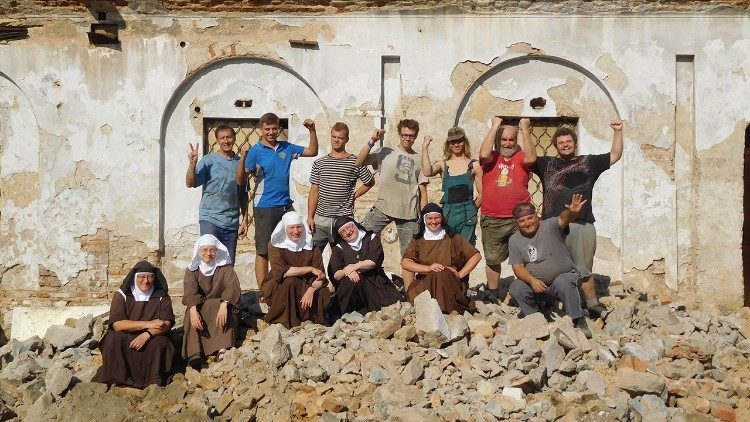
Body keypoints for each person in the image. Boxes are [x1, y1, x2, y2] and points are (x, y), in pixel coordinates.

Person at [529, 119, 623, 317]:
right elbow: (528, 158)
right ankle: (551, 304)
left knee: (582, 267)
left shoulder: (589, 162)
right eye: (561, 142)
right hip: (552, 225)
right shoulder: (547, 164)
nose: (565, 145)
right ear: (555, 145)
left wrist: (618, 132)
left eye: (568, 141)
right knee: (550, 266)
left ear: (575, 143)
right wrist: (524, 130)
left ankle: (591, 304)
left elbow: (615, 155)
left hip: (581, 223)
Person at [235, 113, 318, 290]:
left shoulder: (286, 147)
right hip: (264, 206)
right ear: (261, 130)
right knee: (264, 251)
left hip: (286, 206)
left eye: (274, 128)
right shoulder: (255, 151)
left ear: (278, 128)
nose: (271, 132)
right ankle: (264, 291)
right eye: (267, 129)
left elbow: (312, 151)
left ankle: (285, 285)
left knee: (290, 246)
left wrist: (312, 131)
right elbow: (240, 180)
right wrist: (242, 158)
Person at [355, 119, 429, 287]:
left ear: (415, 136)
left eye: (411, 136)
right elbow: (359, 162)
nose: (407, 138)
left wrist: (423, 217)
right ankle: (360, 285)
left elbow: (423, 192)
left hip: (408, 213)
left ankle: (410, 293)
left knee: (408, 257)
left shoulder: (418, 159)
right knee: (361, 237)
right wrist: (372, 140)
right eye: (404, 135)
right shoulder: (385, 152)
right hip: (383, 208)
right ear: (399, 134)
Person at [507, 195, 592, 338]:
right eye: (522, 221)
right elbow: (518, 268)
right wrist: (532, 281)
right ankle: (536, 319)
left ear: (537, 216)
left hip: (563, 278)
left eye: (530, 218)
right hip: (538, 285)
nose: (527, 223)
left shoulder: (550, 226)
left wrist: (572, 212)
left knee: (563, 282)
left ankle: (577, 319)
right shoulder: (515, 240)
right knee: (516, 287)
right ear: (517, 223)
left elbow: (563, 219)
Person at [478, 117, 536, 302]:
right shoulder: (492, 157)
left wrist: (525, 130)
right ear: (498, 140)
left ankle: (528, 291)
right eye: (504, 139)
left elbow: (532, 158)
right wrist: (495, 126)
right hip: (492, 217)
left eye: (511, 139)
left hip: (518, 219)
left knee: (526, 256)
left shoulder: (521, 157)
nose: (508, 143)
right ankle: (493, 294)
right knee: (493, 259)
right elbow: (483, 154)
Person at [92, 261, 175, 388]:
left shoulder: (161, 296)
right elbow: (118, 325)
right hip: (126, 335)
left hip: (153, 336)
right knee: (113, 338)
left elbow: (167, 324)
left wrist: (147, 334)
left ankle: (151, 383)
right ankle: (117, 379)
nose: (146, 281)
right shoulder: (122, 295)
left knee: (160, 343)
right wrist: (149, 324)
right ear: (135, 277)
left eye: (150, 277)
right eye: (141, 277)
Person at [401, 203, 482, 314]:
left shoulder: (453, 237)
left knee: (441, 273)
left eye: (436, 218)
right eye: (429, 218)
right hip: (425, 282)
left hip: (449, 283)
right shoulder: (418, 239)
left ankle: (444, 307)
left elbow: (476, 255)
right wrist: (429, 268)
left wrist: (460, 274)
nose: (433, 222)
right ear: (424, 220)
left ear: (442, 218)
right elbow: (405, 262)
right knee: (435, 273)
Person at [307, 122, 375, 250]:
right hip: (321, 220)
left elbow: (369, 182)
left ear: (346, 139)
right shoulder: (319, 163)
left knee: (342, 261)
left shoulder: (355, 162)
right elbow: (314, 191)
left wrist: (354, 196)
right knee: (313, 256)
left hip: (344, 220)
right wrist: (310, 217)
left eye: (340, 137)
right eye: (334, 137)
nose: (336, 140)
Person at [186, 125, 248, 264]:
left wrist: (245, 218)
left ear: (234, 138)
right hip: (210, 218)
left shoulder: (240, 163)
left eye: (229, 137)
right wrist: (192, 164)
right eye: (222, 138)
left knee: (227, 263)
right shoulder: (209, 160)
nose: (226, 141)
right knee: (209, 258)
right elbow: (191, 183)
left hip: (231, 221)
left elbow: (243, 194)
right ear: (217, 140)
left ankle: (223, 287)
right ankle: (207, 286)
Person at [261, 211, 331, 328]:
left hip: (308, 284)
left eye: (299, 227)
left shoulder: (312, 246)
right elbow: (282, 272)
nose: (296, 231)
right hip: (281, 283)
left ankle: (309, 321)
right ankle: (284, 321)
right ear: (284, 229)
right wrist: (310, 269)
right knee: (290, 282)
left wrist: (311, 290)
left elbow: (321, 275)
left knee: (321, 293)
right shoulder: (275, 245)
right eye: (291, 228)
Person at [182, 234, 241, 366]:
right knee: (190, 313)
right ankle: (195, 352)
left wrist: (224, 304)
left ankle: (222, 349)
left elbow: (232, 287)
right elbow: (190, 292)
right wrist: (192, 310)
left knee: (227, 310)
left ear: (217, 251)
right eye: (204, 250)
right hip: (200, 306)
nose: (208, 253)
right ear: (198, 251)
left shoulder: (225, 268)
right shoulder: (192, 270)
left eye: (212, 250)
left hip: (221, 305)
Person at [327, 216, 402, 315]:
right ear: (341, 236)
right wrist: (347, 271)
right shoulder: (338, 248)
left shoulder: (372, 238)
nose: (348, 232)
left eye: (350, 227)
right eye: (343, 232)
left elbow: (373, 262)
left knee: (391, 308)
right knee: (350, 283)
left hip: (374, 280)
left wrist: (353, 267)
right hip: (355, 287)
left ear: (355, 225)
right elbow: (336, 274)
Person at [421, 126, 482, 244]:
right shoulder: (442, 165)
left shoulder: (474, 165)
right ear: (448, 144)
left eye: (459, 140)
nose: (456, 144)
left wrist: (472, 209)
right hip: (448, 214)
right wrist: (424, 147)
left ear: (465, 142)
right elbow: (427, 172)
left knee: (466, 250)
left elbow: (482, 193)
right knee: (447, 250)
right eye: (453, 142)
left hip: (467, 214)